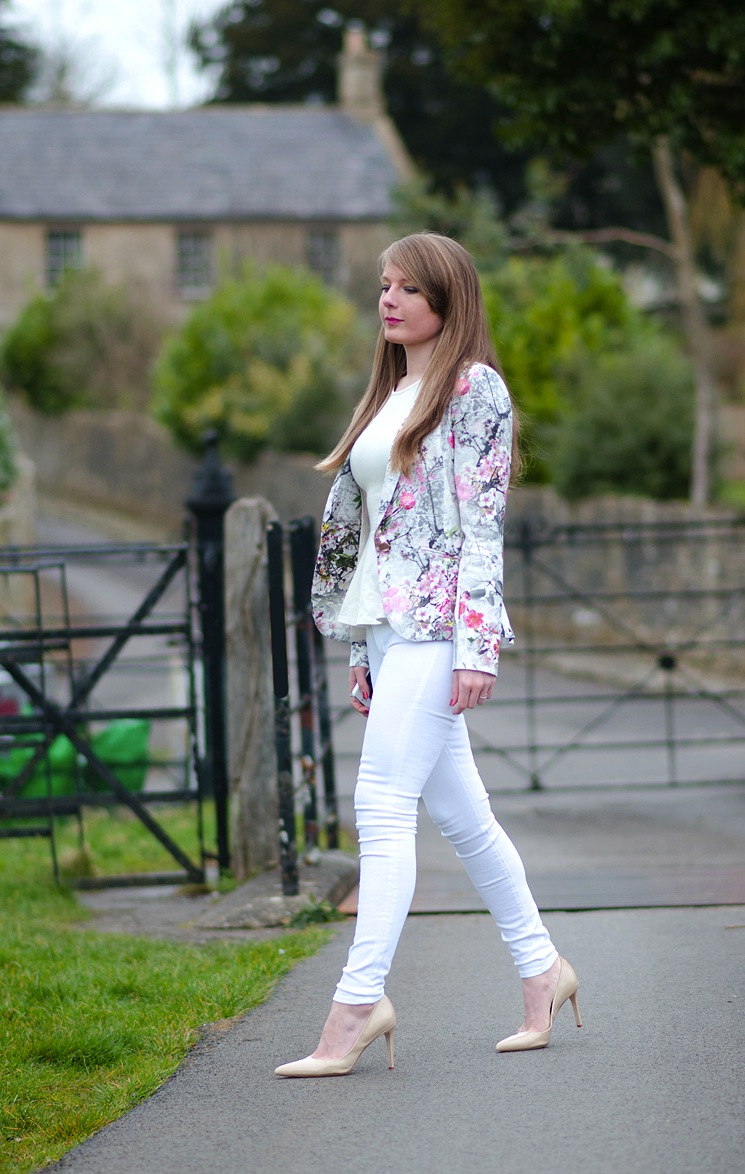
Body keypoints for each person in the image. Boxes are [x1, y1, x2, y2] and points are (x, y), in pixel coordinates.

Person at [275, 232, 582, 1078]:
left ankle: (355, 1008)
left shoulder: (472, 389)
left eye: (409, 287)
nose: (389, 298)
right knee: (462, 817)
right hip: (387, 627)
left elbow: (480, 526)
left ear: (448, 299)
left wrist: (473, 643)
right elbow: (374, 529)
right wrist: (356, 646)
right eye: (383, 285)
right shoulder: (391, 390)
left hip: (436, 628)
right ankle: (542, 972)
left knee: (379, 806)